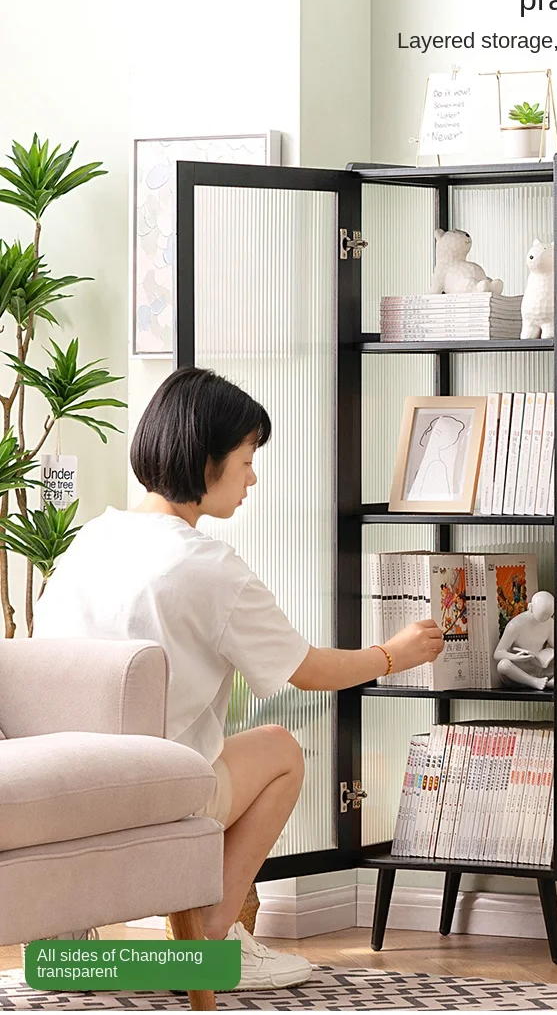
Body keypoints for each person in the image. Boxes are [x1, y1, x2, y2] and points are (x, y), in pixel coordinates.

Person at [33, 366, 444, 991]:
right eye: (248, 457)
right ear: (206, 459)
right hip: (155, 790)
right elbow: (307, 670)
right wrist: (392, 654)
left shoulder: (88, 541)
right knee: (280, 750)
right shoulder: (208, 568)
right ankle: (215, 947)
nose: (253, 477)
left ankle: (85, 949)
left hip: (69, 788)